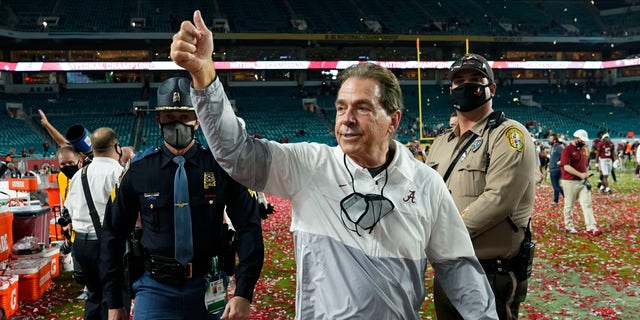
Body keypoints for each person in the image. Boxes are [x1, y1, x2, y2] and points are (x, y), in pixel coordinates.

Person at [171, 11, 497, 319]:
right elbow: (237, 155)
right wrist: (204, 76)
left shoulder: (426, 184)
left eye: (362, 108)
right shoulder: (310, 166)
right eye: (341, 107)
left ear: (393, 120)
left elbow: (459, 269)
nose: (347, 120)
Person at [100, 77, 264, 320]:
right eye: (169, 117)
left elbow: (249, 227)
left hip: (210, 286)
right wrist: (114, 302)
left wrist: (243, 292)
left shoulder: (222, 168)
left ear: (198, 120)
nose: (177, 123)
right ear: (158, 120)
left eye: (184, 116)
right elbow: (112, 234)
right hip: (155, 287)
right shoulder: (138, 171)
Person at [426, 53, 536, 320]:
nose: (466, 85)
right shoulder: (441, 143)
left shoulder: (508, 135)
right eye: (459, 80)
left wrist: (440, 236)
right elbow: (426, 197)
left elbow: (499, 200)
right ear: (450, 89)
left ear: (492, 88)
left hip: (490, 273)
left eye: (476, 79)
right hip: (447, 269)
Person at [64, 127, 129, 319]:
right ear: (117, 147)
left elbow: (70, 209)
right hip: (107, 244)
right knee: (115, 298)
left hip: (82, 245)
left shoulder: (78, 175)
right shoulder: (118, 172)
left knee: (94, 296)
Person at [559, 129, 602, 236]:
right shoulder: (567, 150)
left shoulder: (583, 149)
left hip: (582, 181)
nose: (584, 142)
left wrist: (584, 173)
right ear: (576, 138)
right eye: (582, 140)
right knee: (569, 205)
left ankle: (591, 226)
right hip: (570, 181)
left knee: (587, 203)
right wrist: (580, 174)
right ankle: (569, 226)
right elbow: (566, 166)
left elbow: (582, 164)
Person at [548, 133, 565, 205]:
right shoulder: (553, 147)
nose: (549, 140)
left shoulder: (559, 147)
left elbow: (565, 156)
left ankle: (567, 197)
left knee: (556, 185)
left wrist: (560, 161)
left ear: (555, 140)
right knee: (555, 185)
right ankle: (555, 200)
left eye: (550, 139)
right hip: (552, 168)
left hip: (556, 169)